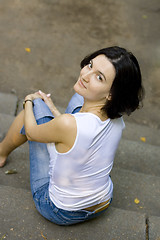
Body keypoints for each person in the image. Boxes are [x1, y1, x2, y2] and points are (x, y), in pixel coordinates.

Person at [0, 46, 144, 225]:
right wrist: (54, 110)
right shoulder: (117, 119)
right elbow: (77, 130)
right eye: (90, 65)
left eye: (99, 77)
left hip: (60, 210)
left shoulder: (69, 124)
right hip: (103, 202)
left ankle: (0, 154)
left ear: (111, 94)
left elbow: (31, 132)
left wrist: (29, 100)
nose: (85, 75)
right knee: (78, 98)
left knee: (35, 109)